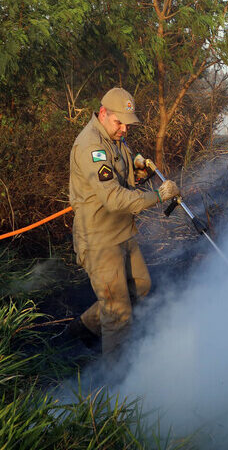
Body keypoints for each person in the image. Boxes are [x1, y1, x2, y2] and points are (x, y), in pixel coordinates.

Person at [65, 87, 179, 355]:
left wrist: (137, 171)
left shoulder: (115, 139)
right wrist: (158, 196)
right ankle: (115, 388)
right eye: (120, 123)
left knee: (141, 286)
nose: (125, 130)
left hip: (122, 232)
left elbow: (119, 180)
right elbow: (114, 198)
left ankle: (83, 328)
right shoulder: (91, 145)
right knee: (119, 314)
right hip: (99, 240)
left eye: (128, 124)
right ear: (103, 113)